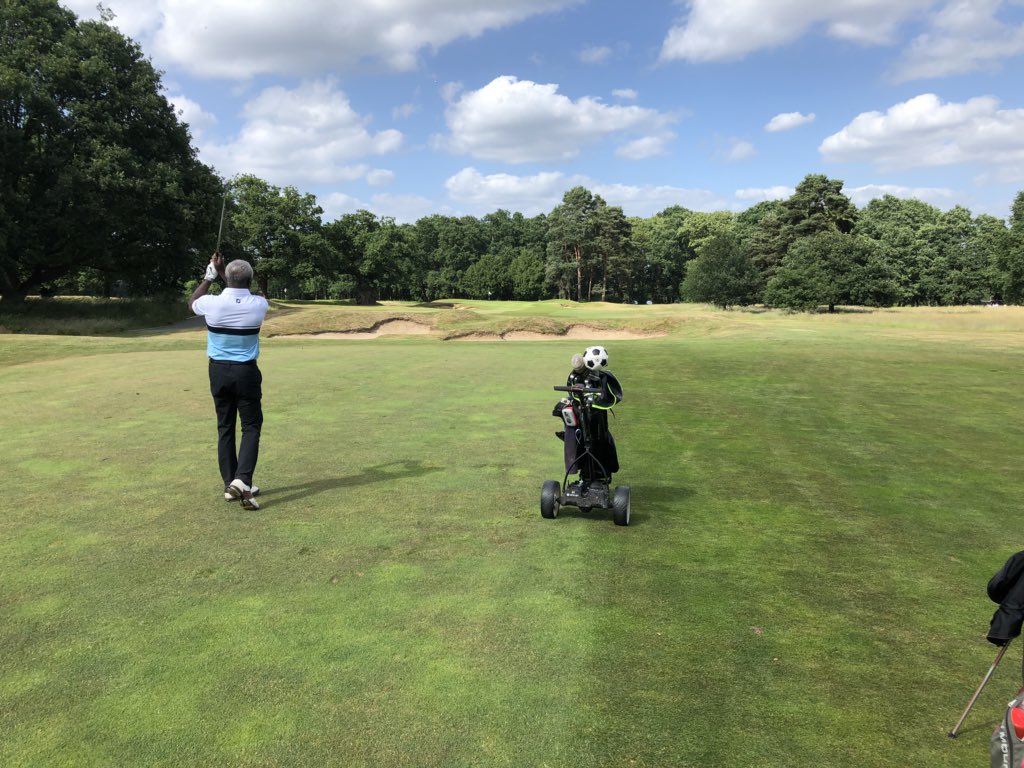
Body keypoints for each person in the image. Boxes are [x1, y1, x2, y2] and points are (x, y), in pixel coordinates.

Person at [189, 254, 269, 510]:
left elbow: (192, 302)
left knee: (225, 428)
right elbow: (237, 287)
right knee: (251, 426)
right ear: (250, 279)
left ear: (227, 279)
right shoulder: (259, 304)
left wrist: (210, 276)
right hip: (245, 372)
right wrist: (224, 273)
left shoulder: (211, 303)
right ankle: (242, 480)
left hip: (218, 371)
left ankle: (230, 485)